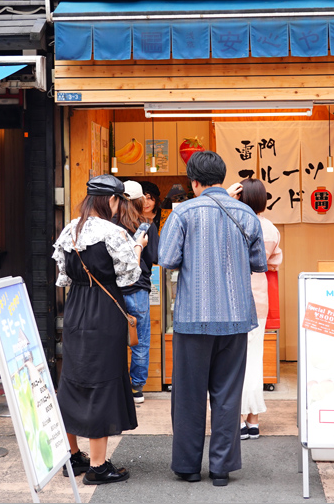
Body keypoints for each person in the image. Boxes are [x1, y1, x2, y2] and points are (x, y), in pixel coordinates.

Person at [158, 151, 267, 487]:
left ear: (194, 181)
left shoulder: (184, 213)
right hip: (236, 318)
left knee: (189, 395)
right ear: (221, 177)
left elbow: (166, 259)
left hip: (193, 318)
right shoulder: (246, 214)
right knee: (227, 394)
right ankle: (221, 469)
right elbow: (259, 262)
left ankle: (188, 467)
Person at [52, 175, 149, 485]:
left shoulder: (69, 230)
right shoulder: (113, 232)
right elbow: (129, 277)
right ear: (111, 200)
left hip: (75, 310)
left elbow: (63, 277)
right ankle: (98, 465)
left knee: (73, 380)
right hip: (104, 313)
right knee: (101, 381)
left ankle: (73, 455)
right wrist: (137, 248)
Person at [229, 179, 282, 441]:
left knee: (233, 361)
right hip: (259, 299)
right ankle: (254, 420)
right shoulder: (271, 229)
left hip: (232, 300)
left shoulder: (233, 223)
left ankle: (237, 418)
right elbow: (274, 263)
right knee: (255, 358)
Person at [119, 180, 159, 404]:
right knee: (140, 340)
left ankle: (116, 383)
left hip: (115, 290)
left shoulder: (112, 226)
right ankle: (136, 388)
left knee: (115, 337)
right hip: (139, 290)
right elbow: (154, 257)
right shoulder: (147, 226)